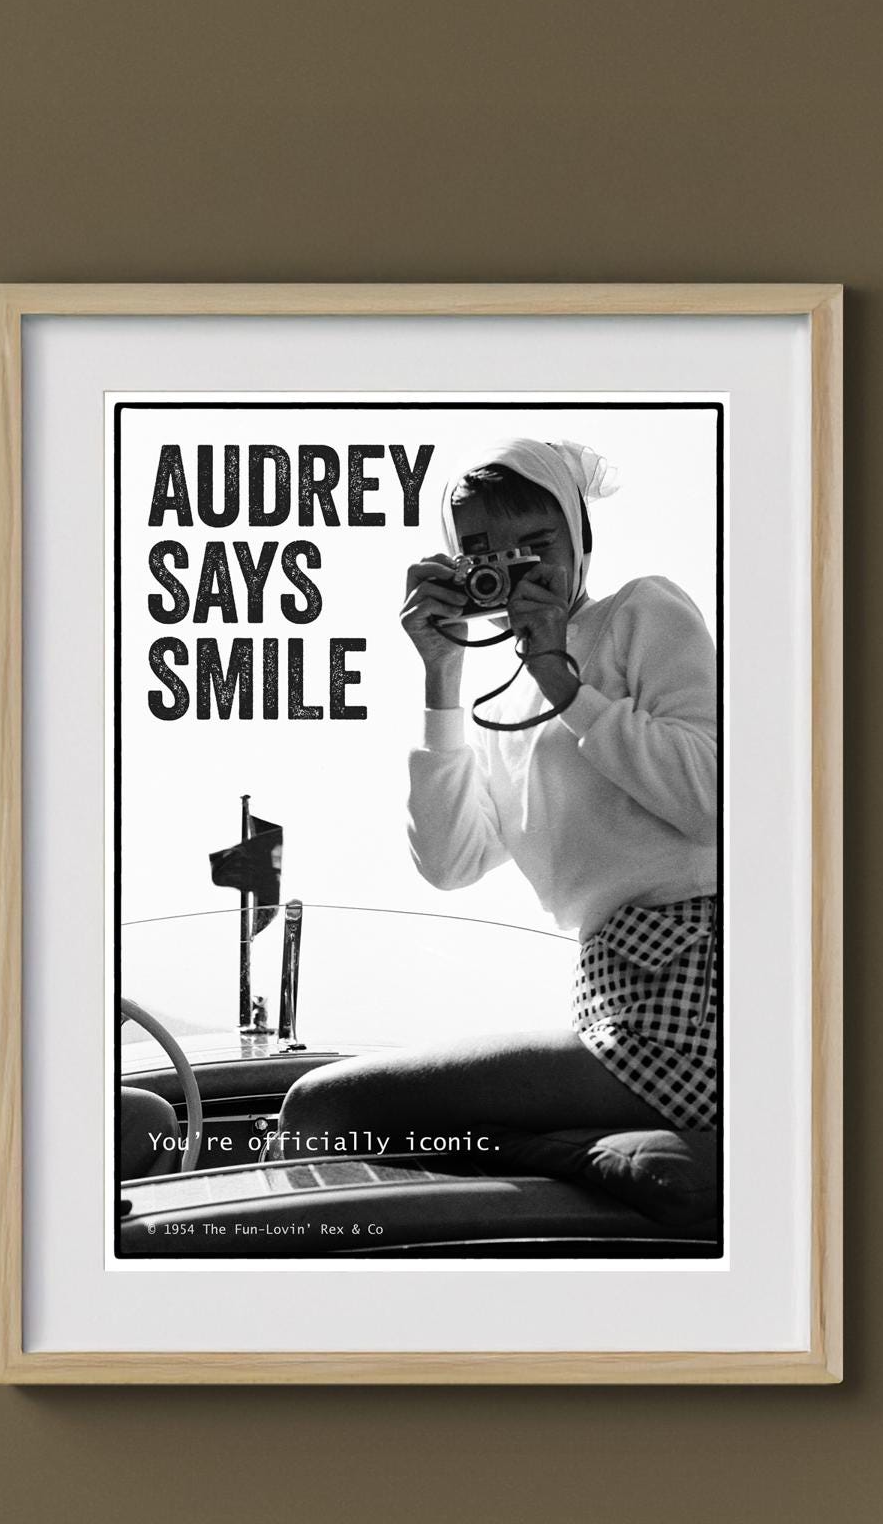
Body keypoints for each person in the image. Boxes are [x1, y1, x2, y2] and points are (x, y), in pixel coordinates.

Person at [275, 439, 721, 1171]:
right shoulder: (504, 696)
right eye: (482, 549)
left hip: (689, 996)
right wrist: (441, 674)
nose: (513, 568)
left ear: (581, 538)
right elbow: (450, 863)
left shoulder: (640, 611)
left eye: (535, 544)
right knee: (409, 1134)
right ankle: (572, 1156)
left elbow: (713, 799)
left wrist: (563, 681)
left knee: (320, 1108)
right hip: (607, 993)